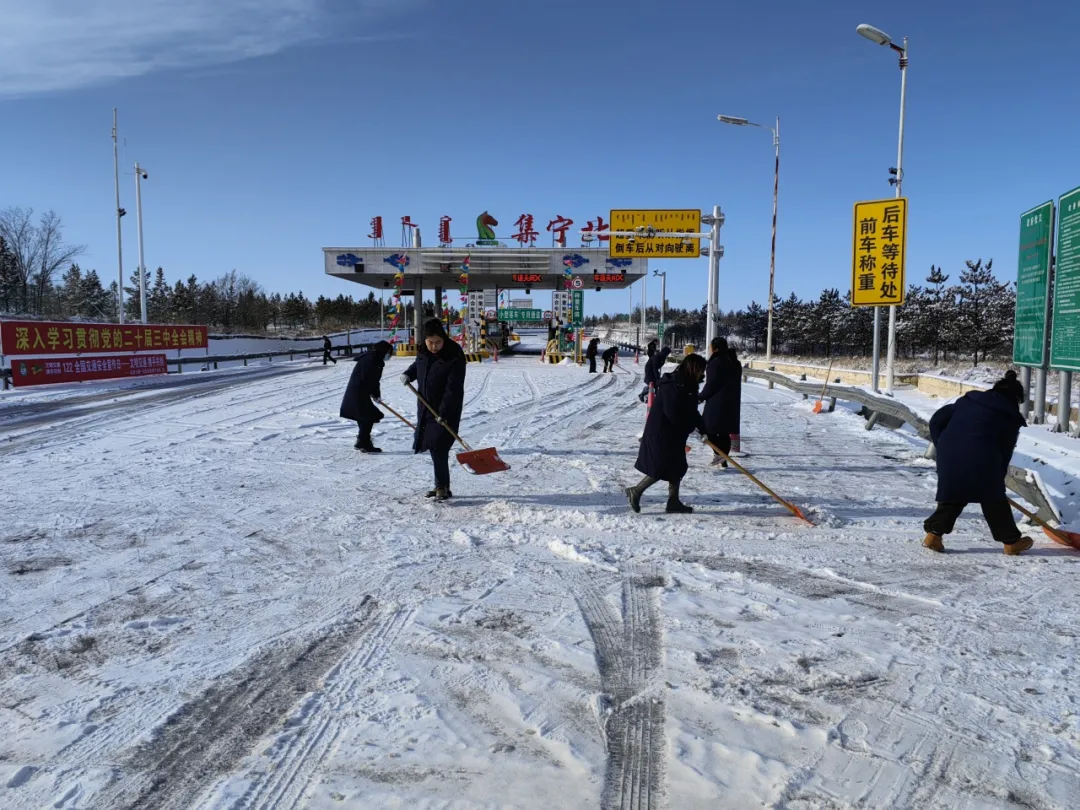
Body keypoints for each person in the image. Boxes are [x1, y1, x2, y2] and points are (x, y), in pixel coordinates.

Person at [923, 370, 1034, 555]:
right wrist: (998, 479)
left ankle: (933, 535)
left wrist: (941, 444)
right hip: (982, 459)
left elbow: (936, 421)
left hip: (949, 454)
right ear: (1015, 398)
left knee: (955, 495)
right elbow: (1005, 450)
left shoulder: (967, 401)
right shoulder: (1008, 416)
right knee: (994, 500)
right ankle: (1011, 542)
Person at [626, 353, 708, 514]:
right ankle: (635, 491)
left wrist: (703, 429)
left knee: (677, 466)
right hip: (662, 433)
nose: (702, 374)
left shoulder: (689, 384)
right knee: (662, 467)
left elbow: (691, 410)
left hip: (675, 433)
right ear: (692, 368)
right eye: (701, 370)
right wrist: (691, 428)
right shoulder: (673, 385)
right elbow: (673, 413)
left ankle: (673, 501)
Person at [401, 319, 467, 501]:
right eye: (430, 342)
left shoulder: (454, 355)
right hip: (425, 408)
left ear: (444, 339)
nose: (434, 347)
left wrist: (443, 414)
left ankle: (441, 487)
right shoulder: (423, 351)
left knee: (439, 446)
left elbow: (453, 389)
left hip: (445, 410)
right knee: (434, 447)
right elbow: (418, 366)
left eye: (438, 342)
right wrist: (409, 374)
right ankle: (442, 484)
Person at [339, 340, 393, 452]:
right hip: (358, 392)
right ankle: (363, 441)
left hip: (360, 392)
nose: (389, 355)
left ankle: (363, 441)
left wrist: (376, 394)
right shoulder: (371, 360)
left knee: (364, 417)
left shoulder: (375, 359)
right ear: (382, 351)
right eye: (388, 352)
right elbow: (369, 379)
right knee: (369, 416)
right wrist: (374, 394)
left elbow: (374, 380)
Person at [698, 337, 738, 466]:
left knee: (707, 429)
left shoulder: (716, 362)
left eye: (710, 347)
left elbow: (711, 384)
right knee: (724, 432)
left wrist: (701, 397)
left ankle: (720, 455)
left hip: (717, 402)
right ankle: (722, 458)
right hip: (731, 402)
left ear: (715, 348)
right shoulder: (733, 361)